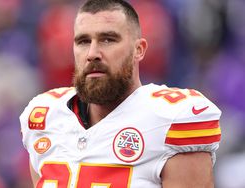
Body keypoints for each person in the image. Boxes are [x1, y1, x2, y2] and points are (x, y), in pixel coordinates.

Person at [20, 0, 222, 187]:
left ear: (139, 49)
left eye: (108, 39)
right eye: (83, 41)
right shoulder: (45, 116)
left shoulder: (173, 118)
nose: (92, 53)